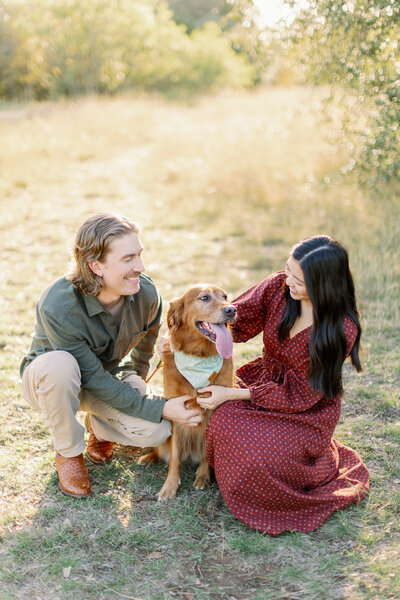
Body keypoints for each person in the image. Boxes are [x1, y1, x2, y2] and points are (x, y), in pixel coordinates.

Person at [20, 213, 201, 498]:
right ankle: (68, 452)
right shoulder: (58, 304)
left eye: (140, 255)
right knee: (60, 364)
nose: (140, 267)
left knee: (156, 431)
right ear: (96, 266)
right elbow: (89, 375)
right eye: (128, 259)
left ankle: (100, 430)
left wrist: (136, 382)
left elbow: (144, 349)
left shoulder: (146, 294)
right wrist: (160, 406)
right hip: (52, 382)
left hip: (105, 379)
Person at [197, 235, 369, 535]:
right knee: (223, 419)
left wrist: (233, 393)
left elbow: (302, 393)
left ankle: (266, 490)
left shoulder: (340, 329)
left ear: (322, 284)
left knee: (258, 454)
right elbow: (238, 316)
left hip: (305, 410)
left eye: (298, 279)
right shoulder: (279, 286)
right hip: (263, 382)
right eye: (287, 270)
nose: (288, 280)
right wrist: (197, 323)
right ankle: (233, 474)